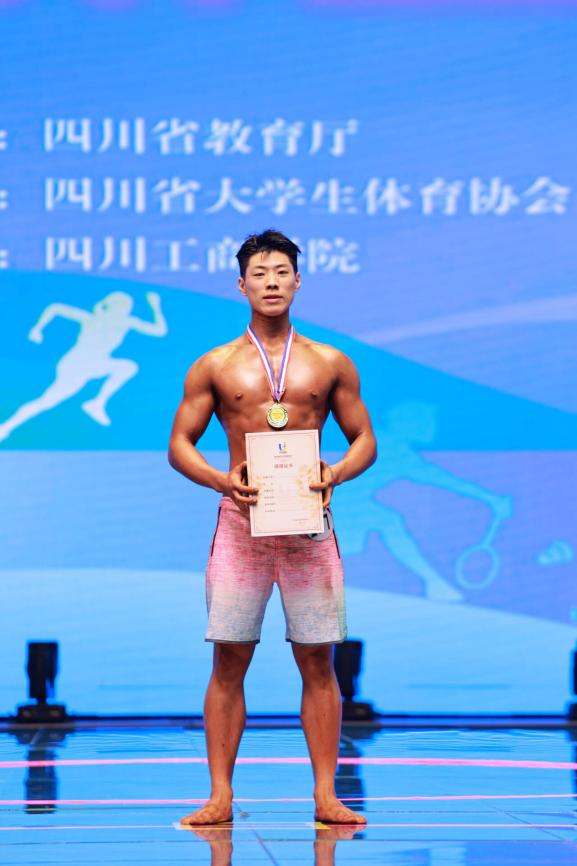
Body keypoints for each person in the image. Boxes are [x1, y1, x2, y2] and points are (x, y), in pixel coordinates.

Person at [168, 229, 376, 825]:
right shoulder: (216, 365)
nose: (272, 283)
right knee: (229, 660)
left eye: (282, 272)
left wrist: (335, 471)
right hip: (242, 526)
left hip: (309, 526)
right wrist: (219, 479)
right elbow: (179, 444)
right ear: (242, 285)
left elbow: (365, 439)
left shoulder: (329, 362)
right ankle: (220, 795)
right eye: (260, 274)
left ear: (298, 281)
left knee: (318, 661)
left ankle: (326, 795)